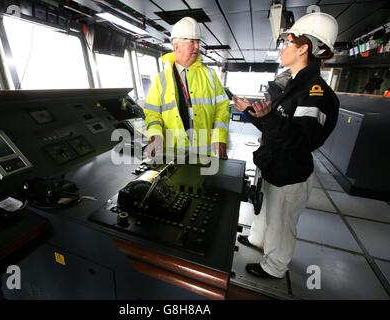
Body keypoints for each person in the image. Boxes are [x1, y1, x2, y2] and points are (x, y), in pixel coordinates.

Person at [233, 12, 339, 279]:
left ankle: (275, 267)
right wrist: (251, 113)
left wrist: (268, 117)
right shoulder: (292, 86)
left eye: (287, 42)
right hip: (274, 164)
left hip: (290, 172)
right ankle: (258, 242)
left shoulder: (315, 93)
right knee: (265, 211)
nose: (282, 48)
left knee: (281, 223)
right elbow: (276, 129)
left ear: (303, 48)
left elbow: (301, 141)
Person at [143, 17, 229, 160]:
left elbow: (222, 108)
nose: (197, 47)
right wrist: (155, 135)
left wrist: (219, 137)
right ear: (176, 46)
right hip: (173, 155)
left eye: (198, 42)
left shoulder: (211, 75)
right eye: (192, 41)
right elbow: (152, 114)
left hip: (205, 155)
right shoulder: (160, 79)